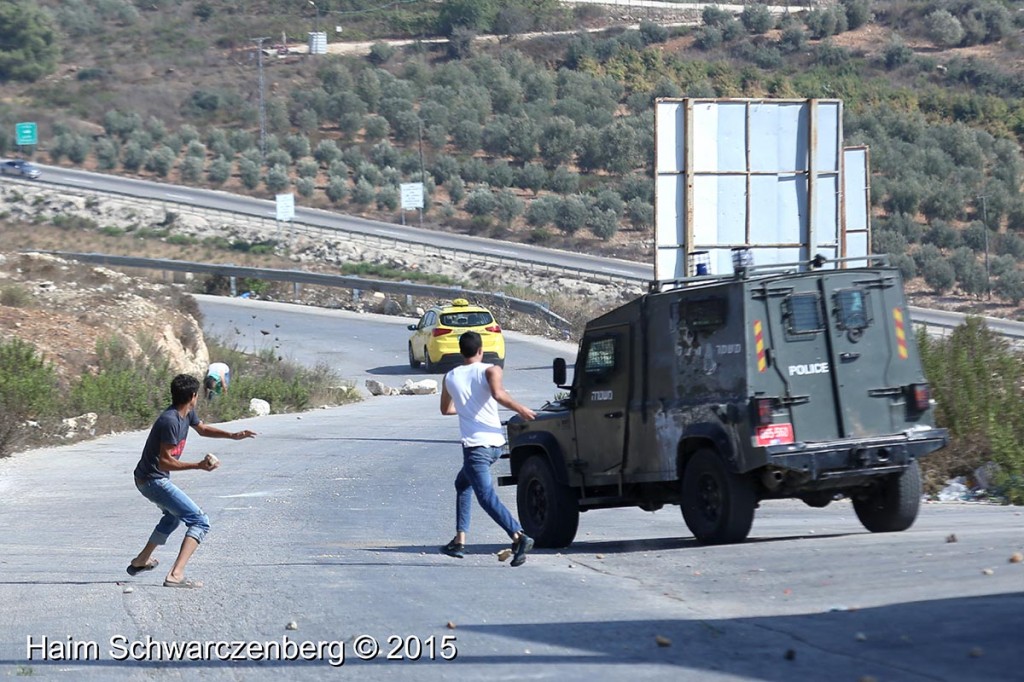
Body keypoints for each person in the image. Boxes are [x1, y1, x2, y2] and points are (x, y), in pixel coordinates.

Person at [127, 374, 256, 588]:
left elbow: (203, 429)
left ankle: (141, 560)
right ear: (193, 396)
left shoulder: (186, 413)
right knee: (200, 521)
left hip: (148, 478)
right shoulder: (170, 421)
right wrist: (198, 465)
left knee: (173, 517)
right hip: (152, 480)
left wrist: (233, 435)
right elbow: (165, 463)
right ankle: (175, 575)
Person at [439, 331, 537, 567]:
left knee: (485, 496)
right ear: (480, 350)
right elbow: (498, 394)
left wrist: (464, 409)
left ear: (460, 352)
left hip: (475, 449)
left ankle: (518, 536)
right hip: (495, 444)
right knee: (462, 483)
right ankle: (459, 540)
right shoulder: (491, 369)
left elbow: (445, 409)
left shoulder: (450, 377)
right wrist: (521, 409)